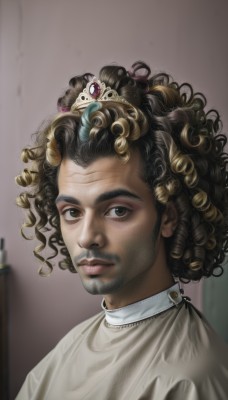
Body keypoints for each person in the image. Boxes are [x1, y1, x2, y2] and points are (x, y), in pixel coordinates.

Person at [16, 61, 228, 399]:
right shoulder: (58, 359)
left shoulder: (190, 382)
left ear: (169, 216)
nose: (86, 237)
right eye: (71, 211)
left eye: (117, 210)